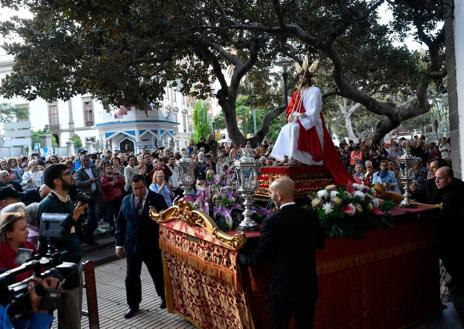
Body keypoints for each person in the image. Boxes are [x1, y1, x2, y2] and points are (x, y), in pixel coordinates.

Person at [239, 177, 324, 329]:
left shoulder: (273, 221)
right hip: (308, 285)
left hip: (284, 288)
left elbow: (258, 258)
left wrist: (239, 256)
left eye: (271, 193)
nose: (270, 196)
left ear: (279, 196)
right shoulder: (311, 215)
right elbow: (320, 244)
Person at [270, 68, 352, 187]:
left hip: (311, 121)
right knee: (285, 128)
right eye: (299, 78)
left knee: (293, 129)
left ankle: (295, 157)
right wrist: (291, 115)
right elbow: (291, 109)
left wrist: (302, 115)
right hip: (298, 119)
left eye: (302, 77)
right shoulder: (297, 92)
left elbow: (314, 110)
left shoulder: (315, 90)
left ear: (308, 78)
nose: (300, 80)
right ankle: (285, 157)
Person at [37, 164, 87, 329]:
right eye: (67, 174)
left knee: (74, 314)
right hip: (61, 268)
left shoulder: (66, 200)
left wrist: (77, 217)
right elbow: (50, 238)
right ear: (57, 181)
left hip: (73, 262)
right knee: (70, 318)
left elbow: (71, 230)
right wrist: (74, 217)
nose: (71, 176)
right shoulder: (47, 204)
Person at [115, 174, 168, 319]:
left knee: (157, 272)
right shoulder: (126, 200)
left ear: (145, 185)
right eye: (134, 189)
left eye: (140, 188)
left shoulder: (157, 199)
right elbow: (120, 224)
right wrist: (118, 244)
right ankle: (133, 304)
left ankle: (164, 296)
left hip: (152, 244)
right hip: (132, 245)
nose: (137, 192)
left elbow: (166, 221)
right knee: (131, 276)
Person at [433, 167, 464, 293]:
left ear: (449, 179)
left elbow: (445, 215)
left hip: (456, 233)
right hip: (452, 231)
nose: (436, 181)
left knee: (452, 257)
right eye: (436, 178)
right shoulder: (450, 185)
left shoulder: (455, 193)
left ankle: (460, 283)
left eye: (439, 178)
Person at [74, 154, 101, 245]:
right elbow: (77, 183)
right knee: (89, 218)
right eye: (84, 160)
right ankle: (89, 239)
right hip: (86, 196)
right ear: (81, 162)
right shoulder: (79, 171)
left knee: (95, 216)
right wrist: (90, 181)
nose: (86, 162)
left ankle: (91, 237)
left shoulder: (93, 168)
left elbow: (98, 178)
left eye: (87, 160)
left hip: (95, 194)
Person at [0, 211, 34, 280]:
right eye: (23, 229)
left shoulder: (28, 246)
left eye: (26, 228)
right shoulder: (1, 251)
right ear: (9, 234)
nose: (27, 231)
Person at [100, 162, 125, 233]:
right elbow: (102, 187)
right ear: (104, 170)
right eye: (107, 168)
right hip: (109, 198)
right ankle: (112, 226)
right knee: (110, 213)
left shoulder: (116, 176)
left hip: (118, 197)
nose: (109, 169)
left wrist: (117, 182)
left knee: (119, 212)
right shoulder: (103, 178)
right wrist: (109, 184)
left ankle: (119, 226)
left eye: (110, 168)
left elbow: (123, 182)